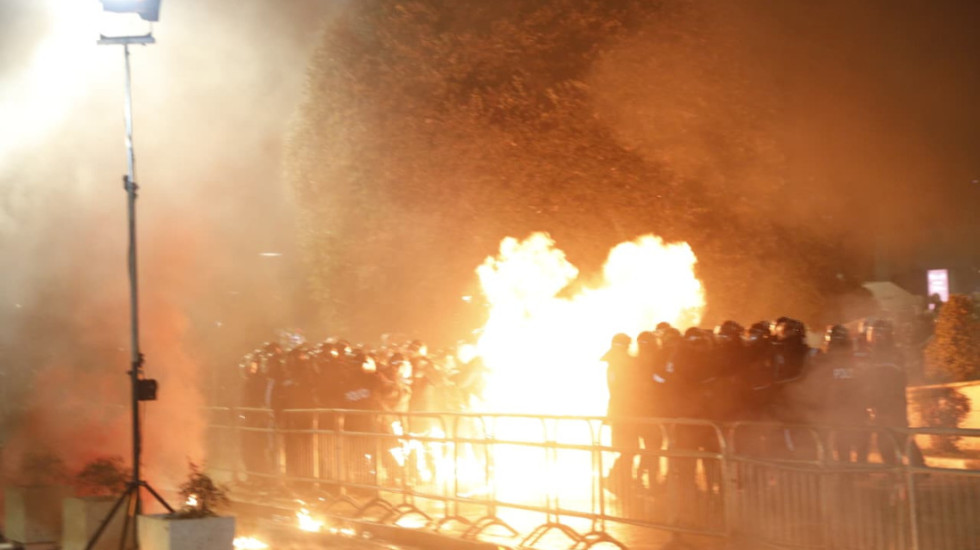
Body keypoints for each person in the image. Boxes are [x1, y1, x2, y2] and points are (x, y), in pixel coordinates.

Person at [603, 333, 640, 495]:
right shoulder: (620, 363)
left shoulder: (614, 363)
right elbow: (621, 388)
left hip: (621, 411)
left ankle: (620, 481)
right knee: (629, 449)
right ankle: (617, 481)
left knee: (628, 449)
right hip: (624, 412)